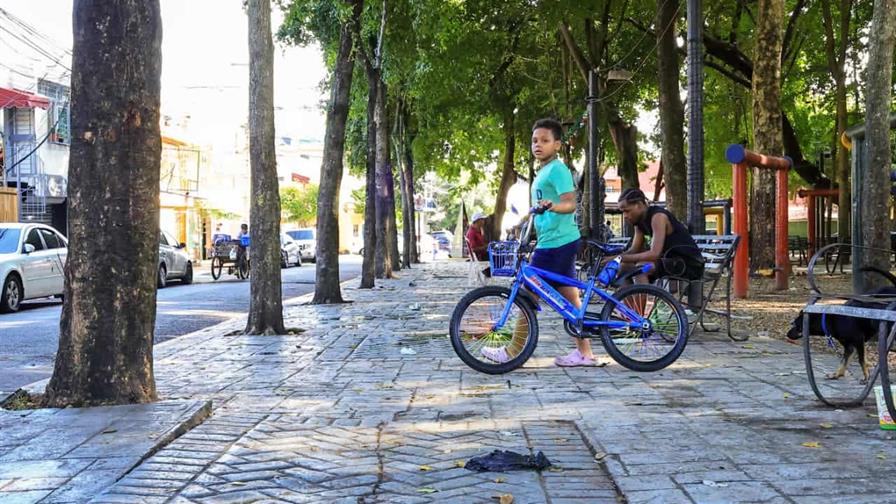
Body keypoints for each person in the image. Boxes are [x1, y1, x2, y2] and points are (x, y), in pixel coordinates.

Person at [481, 118, 599, 367]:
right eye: (535, 140)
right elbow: (541, 208)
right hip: (552, 241)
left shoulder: (557, 169)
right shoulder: (543, 172)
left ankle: (513, 352)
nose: (538, 145)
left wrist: (552, 206)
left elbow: (570, 203)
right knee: (571, 299)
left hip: (557, 243)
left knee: (527, 294)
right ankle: (585, 353)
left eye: (545, 141)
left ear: (557, 144)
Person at [616, 188, 704, 307]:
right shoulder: (639, 223)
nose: (625, 216)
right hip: (668, 261)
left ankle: (640, 318)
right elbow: (634, 250)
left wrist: (621, 257)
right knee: (623, 267)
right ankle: (631, 313)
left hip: (688, 264)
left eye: (627, 211)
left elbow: (654, 253)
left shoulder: (658, 217)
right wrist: (615, 259)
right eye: (622, 212)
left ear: (640, 205)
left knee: (641, 269)